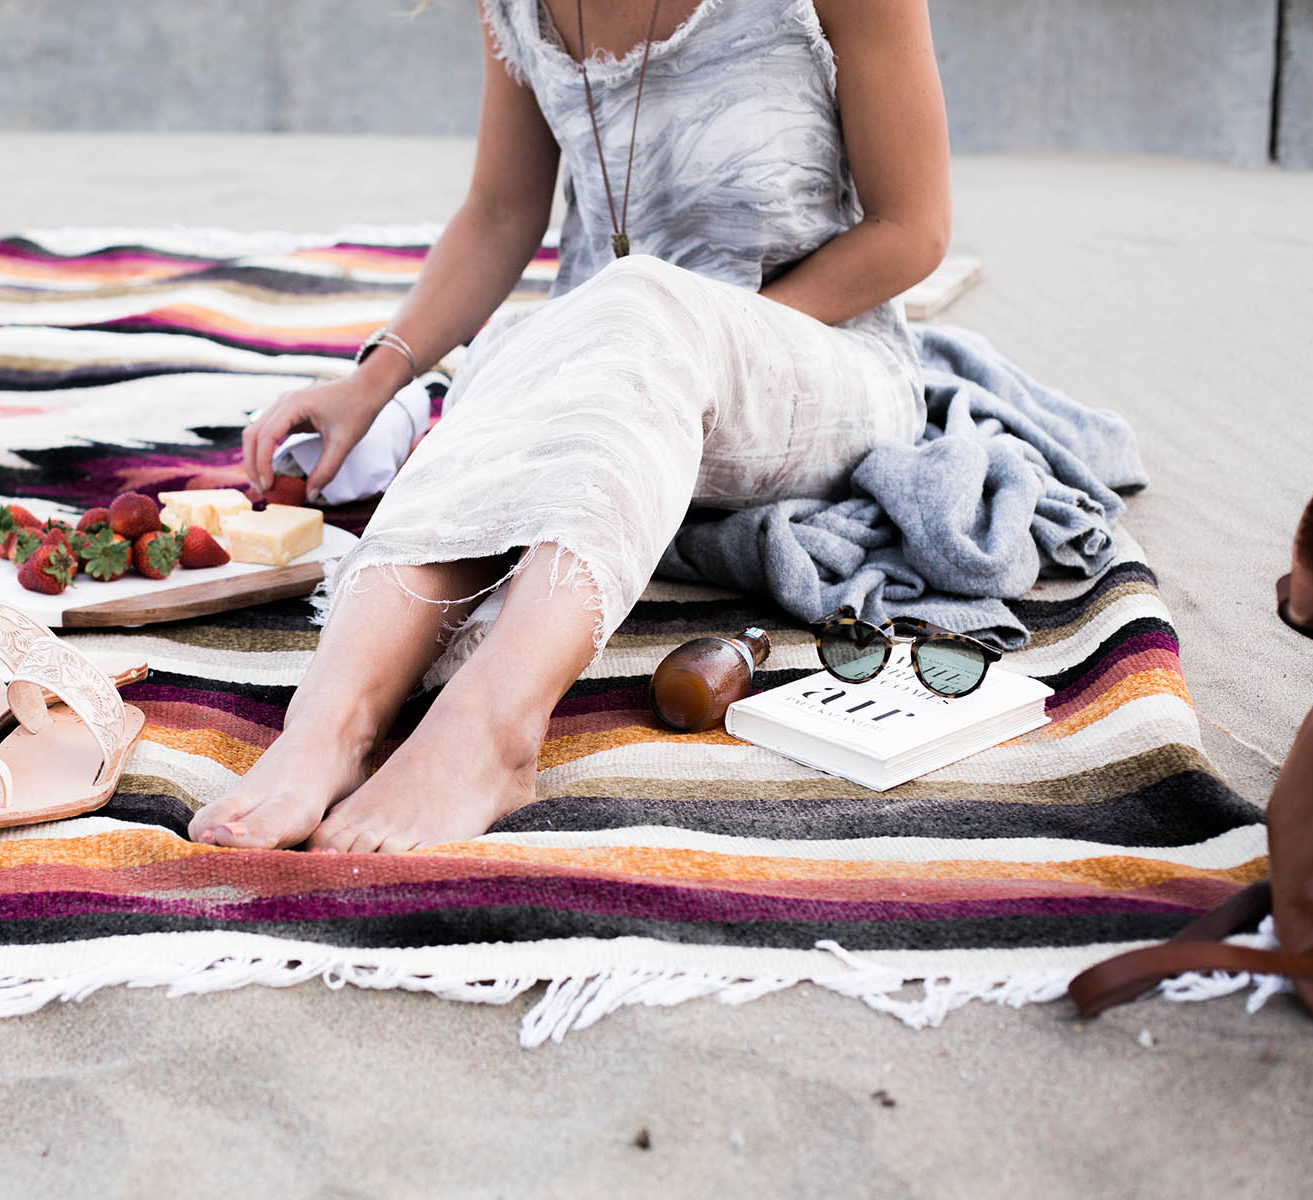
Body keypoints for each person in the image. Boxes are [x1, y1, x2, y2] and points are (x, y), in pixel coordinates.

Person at [189, 0, 951, 852]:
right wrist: (375, 376)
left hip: (816, 355)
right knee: (521, 345)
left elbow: (912, 230)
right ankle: (329, 725)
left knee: (634, 305)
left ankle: (492, 730)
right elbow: (500, 211)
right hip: (599, 364)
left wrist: (688, 341)